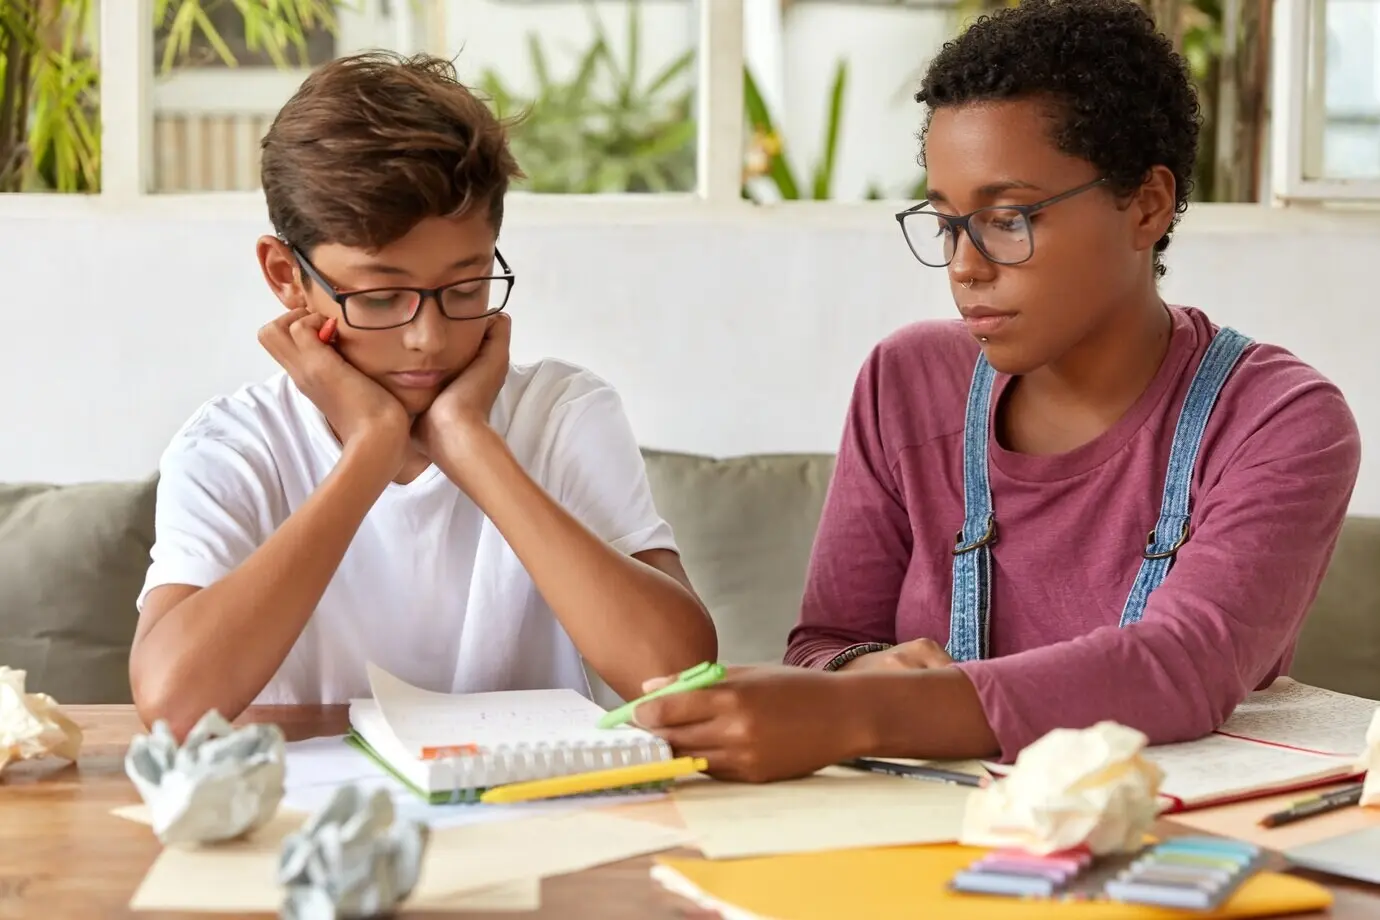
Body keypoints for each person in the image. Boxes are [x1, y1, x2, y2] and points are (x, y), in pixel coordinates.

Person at [634, 0, 1360, 782]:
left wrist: (857, 714)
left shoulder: (1281, 421)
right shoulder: (905, 383)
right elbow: (824, 643)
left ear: (1146, 204)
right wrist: (855, 674)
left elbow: (1182, 666)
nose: (965, 266)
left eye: (1008, 218)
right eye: (947, 223)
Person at [129, 52, 716, 736]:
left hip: (535, 818)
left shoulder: (560, 415)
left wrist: (470, 443)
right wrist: (369, 452)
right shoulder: (235, 445)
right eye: (380, 297)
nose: (429, 339)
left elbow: (677, 678)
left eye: (465, 289)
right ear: (286, 274)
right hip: (304, 827)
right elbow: (172, 703)